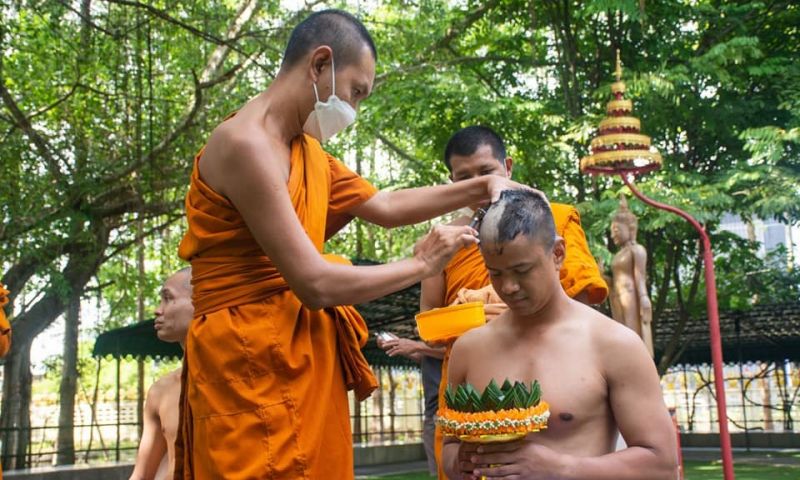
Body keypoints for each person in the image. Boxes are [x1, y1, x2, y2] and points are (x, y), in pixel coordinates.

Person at [174, 10, 531, 479]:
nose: (355, 110)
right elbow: (314, 283)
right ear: (321, 64)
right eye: (356, 91)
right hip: (249, 355)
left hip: (302, 353)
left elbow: (384, 204)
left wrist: (487, 187)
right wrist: (421, 263)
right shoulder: (247, 144)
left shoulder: (306, 151)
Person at [442, 190, 677, 479]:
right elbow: (450, 449)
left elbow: (662, 464)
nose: (509, 287)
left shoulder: (614, 344)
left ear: (557, 253)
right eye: (496, 273)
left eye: (522, 270)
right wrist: (462, 462)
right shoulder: (469, 349)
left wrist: (560, 467)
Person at [423, 126, 609, 478]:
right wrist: (481, 316)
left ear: (507, 168)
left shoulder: (553, 221)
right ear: (451, 183)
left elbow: (584, 303)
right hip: (471, 389)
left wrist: (513, 312)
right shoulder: (445, 243)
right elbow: (431, 325)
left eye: (485, 172)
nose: (478, 186)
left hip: (553, 375)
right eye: (464, 178)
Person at [130, 268, 193, 480]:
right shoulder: (161, 391)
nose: (158, 310)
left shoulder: (242, 381)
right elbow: (142, 475)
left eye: (168, 299)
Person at [377, 332, 445, 476]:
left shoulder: (453, 320)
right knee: (439, 471)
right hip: (432, 411)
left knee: (454, 469)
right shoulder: (430, 333)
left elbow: (455, 349)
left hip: (448, 410)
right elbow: (427, 359)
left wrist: (416, 346)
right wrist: (399, 346)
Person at [610, 196, 654, 357]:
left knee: (632, 334)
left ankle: (637, 360)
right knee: (621, 334)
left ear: (630, 228)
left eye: (616, 230)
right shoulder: (619, 254)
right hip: (617, 297)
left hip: (631, 296)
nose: (613, 234)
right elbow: (615, 280)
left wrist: (643, 297)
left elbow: (640, 277)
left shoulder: (637, 250)